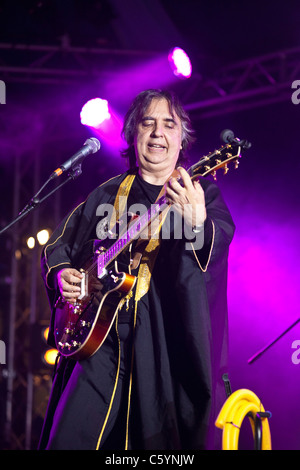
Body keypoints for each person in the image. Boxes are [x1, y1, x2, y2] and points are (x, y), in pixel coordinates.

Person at [38, 88, 235, 450]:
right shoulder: (104, 195)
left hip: (161, 348)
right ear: (133, 134)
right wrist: (63, 272)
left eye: (169, 125)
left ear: (181, 139)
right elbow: (59, 246)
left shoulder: (200, 194)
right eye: (148, 123)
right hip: (97, 345)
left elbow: (217, 247)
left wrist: (195, 224)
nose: (158, 133)